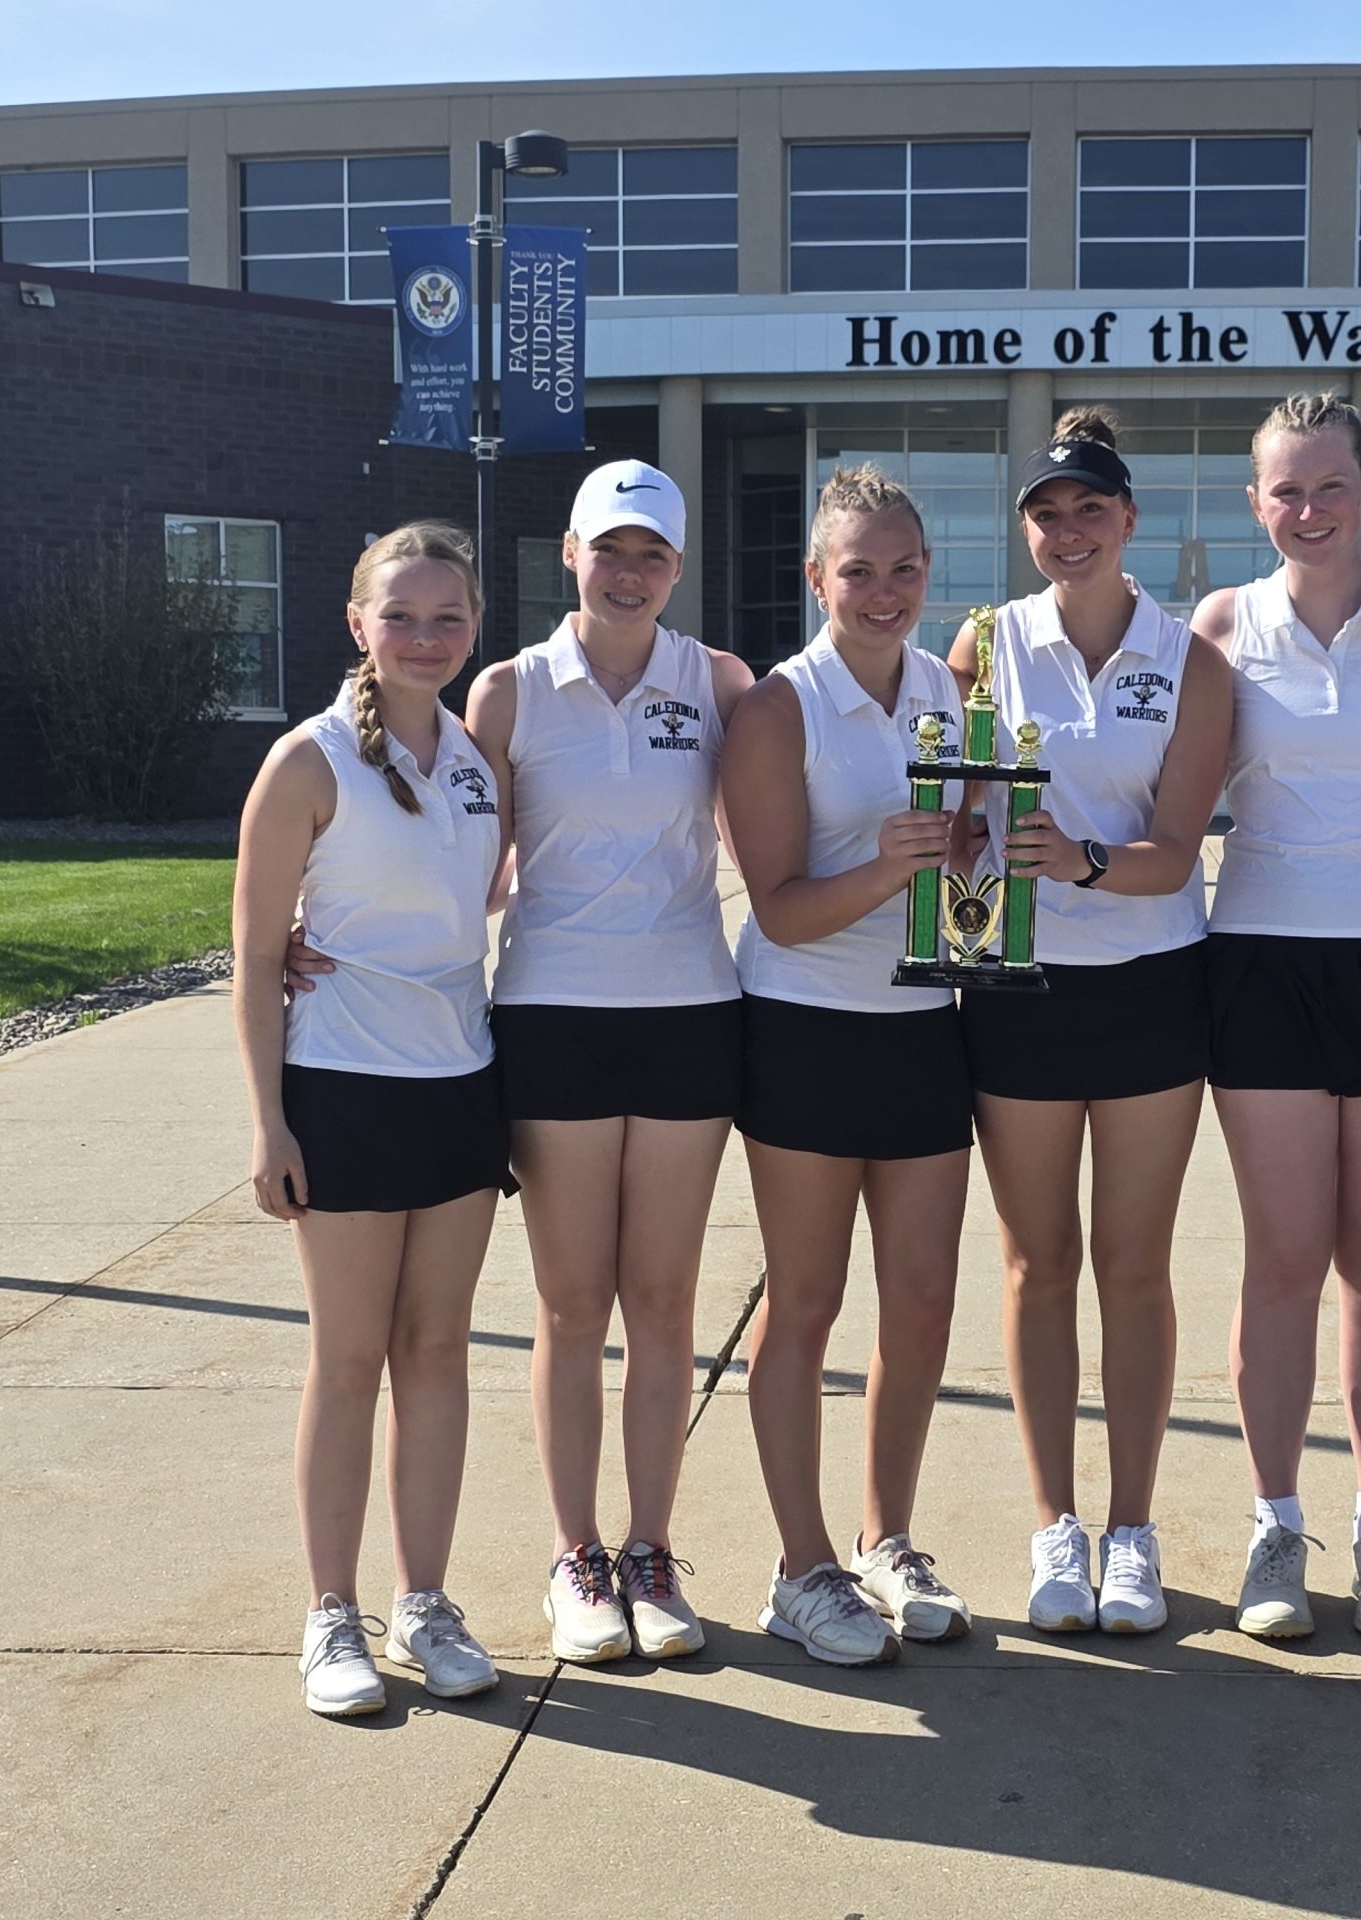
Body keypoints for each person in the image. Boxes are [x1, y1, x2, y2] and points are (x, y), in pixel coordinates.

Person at [1188, 392, 1361, 1640]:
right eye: (1283, 490)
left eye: (1329, 486)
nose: (1307, 511)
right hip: (1257, 960)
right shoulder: (1219, 625)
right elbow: (1166, 784)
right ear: (1254, 502)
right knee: (1284, 1261)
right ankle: (1274, 1527)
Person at [466, 460, 753, 1664]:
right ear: (572, 556)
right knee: (574, 1303)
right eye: (610, 549)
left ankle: (649, 1550)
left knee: (667, 1303)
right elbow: (460, 865)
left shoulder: (723, 682)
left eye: (653, 555)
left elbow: (779, 838)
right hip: (555, 1018)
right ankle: (574, 1555)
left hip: (690, 1012)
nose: (629, 573)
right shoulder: (509, 689)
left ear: (676, 570)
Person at [953, 407, 1231, 1635]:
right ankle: (1053, 1526)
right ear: (1028, 532)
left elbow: (1173, 859)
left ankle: (1131, 1529)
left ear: (1129, 522)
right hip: (1012, 986)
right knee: (1034, 1263)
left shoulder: (1194, 660)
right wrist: (962, 866)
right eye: (1046, 515)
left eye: (1089, 512)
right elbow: (954, 814)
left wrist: (1072, 861)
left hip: (1150, 987)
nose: (1068, 532)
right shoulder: (981, 646)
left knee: (1131, 1263)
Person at [233, 521, 510, 1716]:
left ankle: (425, 1603)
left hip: (462, 1087)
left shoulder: (472, 758)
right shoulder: (305, 763)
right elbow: (251, 961)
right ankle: (331, 1617)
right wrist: (269, 1125)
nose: (425, 637)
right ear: (358, 624)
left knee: (437, 1353)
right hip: (340, 1092)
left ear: (475, 628)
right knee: (349, 1361)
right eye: (401, 615)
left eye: (447, 617)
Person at [719, 466, 973, 1667]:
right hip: (806, 1027)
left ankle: (887, 1538)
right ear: (816, 577)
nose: (882, 590)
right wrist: (891, 867)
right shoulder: (779, 707)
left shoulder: (946, 687)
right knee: (806, 1302)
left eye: (903, 567)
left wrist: (986, 864)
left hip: (924, 1022)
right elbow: (776, 910)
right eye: (857, 569)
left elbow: (962, 871)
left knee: (922, 1297)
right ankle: (800, 1565)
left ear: (929, 572)